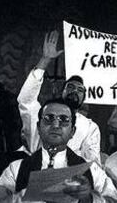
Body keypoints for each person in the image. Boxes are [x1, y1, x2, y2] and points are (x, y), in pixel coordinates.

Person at [0, 98, 117, 203]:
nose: (56, 125)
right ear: (38, 127)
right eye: (49, 118)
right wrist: (34, 195)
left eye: (63, 120)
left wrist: (88, 200)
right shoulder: (16, 168)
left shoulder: (92, 170)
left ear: (72, 131)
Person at [18, 31, 101, 163]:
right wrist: (45, 60)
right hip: (34, 173)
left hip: (71, 179)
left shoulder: (90, 127)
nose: (74, 91)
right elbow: (26, 101)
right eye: (70, 87)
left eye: (80, 90)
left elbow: (92, 163)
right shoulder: (43, 115)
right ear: (61, 92)